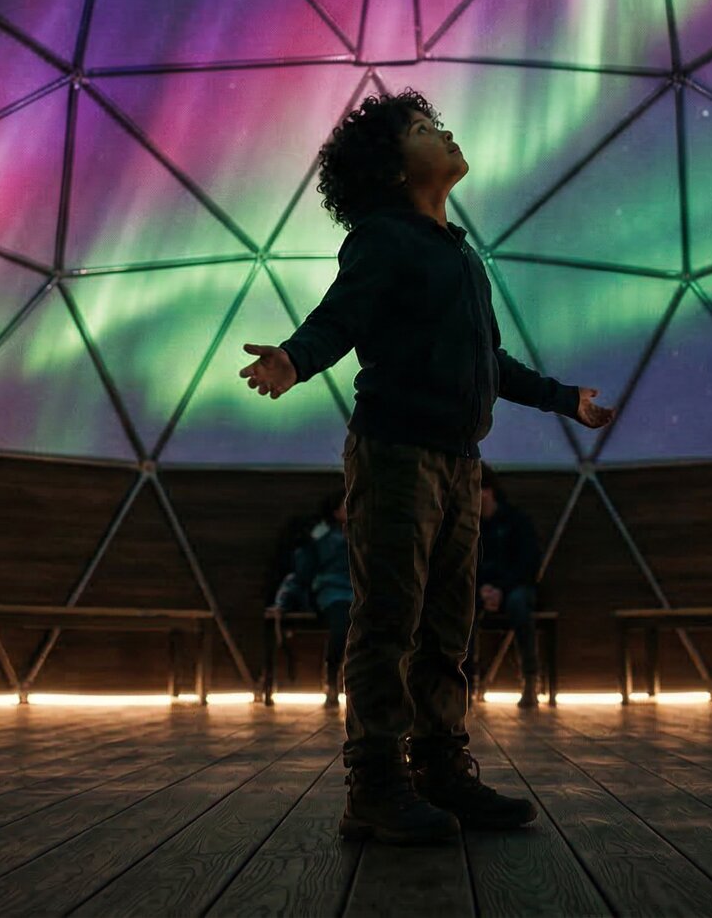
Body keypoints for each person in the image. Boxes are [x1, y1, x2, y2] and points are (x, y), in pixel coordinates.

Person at [238, 91, 617, 847]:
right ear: (389, 168)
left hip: (457, 461)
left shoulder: (463, 258)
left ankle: (442, 769)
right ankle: (375, 787)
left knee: (450, 625)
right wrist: (294, 360)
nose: (444, 131)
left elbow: (490, 362)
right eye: (422, 129)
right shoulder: (383, 239)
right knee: (388, 620)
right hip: (397, 456)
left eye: (438, 122)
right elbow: (339, 318)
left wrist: (561, 399)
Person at [474, 468, 545, 709]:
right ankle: (465, 681)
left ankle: (530, 681)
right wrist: (483, 589)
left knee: (518, 604)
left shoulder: (516, 521)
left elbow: (527, 563)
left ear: (488, 492)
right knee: (461, 606)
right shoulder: (471, 527)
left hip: (514, 588)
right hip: (483, 590)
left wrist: (500, 589)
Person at [275, 488, 352, 708]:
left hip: (358, 590)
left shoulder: (363, 533)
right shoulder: (323, 535)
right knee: (340, 625)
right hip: (332, 590)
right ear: (336, 511)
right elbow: (304, 568)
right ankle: (332, 679)